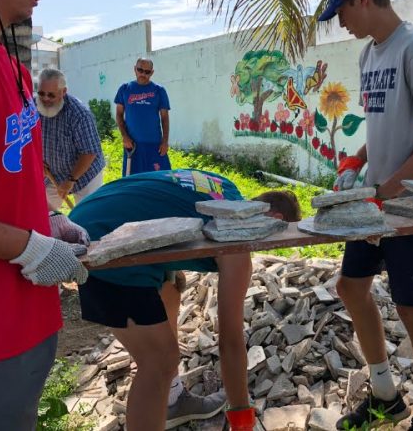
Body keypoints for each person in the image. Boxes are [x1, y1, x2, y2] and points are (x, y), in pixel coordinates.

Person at [318, 0, 413, 431]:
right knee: (350, 287)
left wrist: (385, 191)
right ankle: (384, 396)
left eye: (342, 10)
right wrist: (359, 157)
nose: (341, 22)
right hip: (375, 205)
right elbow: (387, 125)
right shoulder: (369, 53)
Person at [0, 0, 89, 429]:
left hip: (26, 325)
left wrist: (49, 219)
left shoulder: (14, 68)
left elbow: (7, 170)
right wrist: (31, 248)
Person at [69, 169, 301, 431]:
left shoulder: (225, 186)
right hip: (101, 244)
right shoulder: (237, 237)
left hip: (88, 217)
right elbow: (230, 340)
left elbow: (162, 202)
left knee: (171, 288)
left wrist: (170, 268)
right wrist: (241, 418)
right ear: (276, 219)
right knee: (160, 361)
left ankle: (171, 400)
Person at [38, 68, 106, 210]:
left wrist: (70, 180)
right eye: (41, 93)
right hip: (52, 174)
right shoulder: (34, 107)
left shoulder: (79, 114)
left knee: (87, 215)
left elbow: (89, 153)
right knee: (43, 213)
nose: (45, 99)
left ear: (63, 92)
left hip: (85, 174)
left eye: (51, 95)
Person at [114, 57, 171, 176]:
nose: (143, 74)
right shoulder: (125, 89)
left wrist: (165, 141)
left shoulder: (159, 91)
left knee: (160, 181)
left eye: (147, 72)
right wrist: (125, 136)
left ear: (152, 73)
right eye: (140, 70)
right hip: (133, 147)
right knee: (132, 183)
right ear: (135, 69)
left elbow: (164, 118)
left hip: (155, 145)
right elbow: (119, 115)